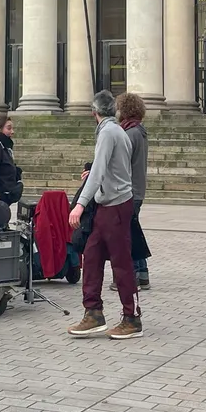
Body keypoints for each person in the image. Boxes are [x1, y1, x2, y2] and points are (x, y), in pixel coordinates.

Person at [68, 90, 141, 340]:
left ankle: (131, 317)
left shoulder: (109, 132)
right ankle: (93, 312)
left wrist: (79, 204)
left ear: (94, 112)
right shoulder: (115, 131)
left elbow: (99, 170)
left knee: (120, 261)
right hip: (108, 203)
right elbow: (110, 169)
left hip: (116, 205)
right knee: (92, 255)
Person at [116, 92, 151, 290]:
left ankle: (135, 276)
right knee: (133, 231)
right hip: (136, 189)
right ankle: (142, 274)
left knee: (127, 234)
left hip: (128, 190)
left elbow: (121, 163)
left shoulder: (129, 133)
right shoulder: (139, 130)